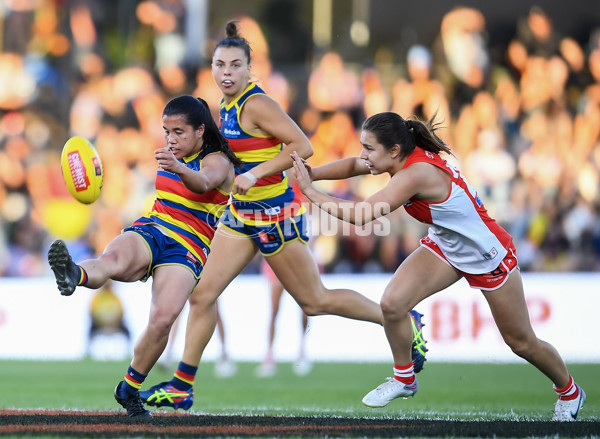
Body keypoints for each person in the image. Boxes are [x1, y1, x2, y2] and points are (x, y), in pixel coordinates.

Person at [139, 21, 427, 411]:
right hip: (242, 215)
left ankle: (404, 321)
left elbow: (302, 145)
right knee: (202, 293)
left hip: (276, 214)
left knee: (315, 301)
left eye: (235, 66)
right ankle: (182, 385)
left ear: (248, 69)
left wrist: (256, 173)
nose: (226, 73)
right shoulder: (224, 106)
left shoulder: (257, 104)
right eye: (220, 65)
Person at [290, 111, 586, 422]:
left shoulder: (415, 174)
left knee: (521, 342)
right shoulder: (398, 157)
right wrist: (315, 172)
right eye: (362, 146)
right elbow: (354, 164)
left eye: (369, 148)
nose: (363, 155)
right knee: (392, 304)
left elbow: (365, 214)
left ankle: (569, 391)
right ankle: (404, 378)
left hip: (487, 254)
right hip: (446, 245)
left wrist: (311, 192)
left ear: (393, 151)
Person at [48, 95, 242, 418]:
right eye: (167, 131)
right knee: (112, 261)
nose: (171, 139)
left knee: (163, 320)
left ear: (200, 131)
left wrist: (177, 165)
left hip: (188, 248)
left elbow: (204, 182)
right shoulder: (171, 154)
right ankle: (73, 274)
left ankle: (128, 388)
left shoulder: (218, 161)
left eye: (179, 132)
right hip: (153, 228)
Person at [255, 257, 311, 378]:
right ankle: (269, 356)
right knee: (274, 310)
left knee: (306, 309)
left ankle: (302, 352)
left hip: (298, 260)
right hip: (276, 257)